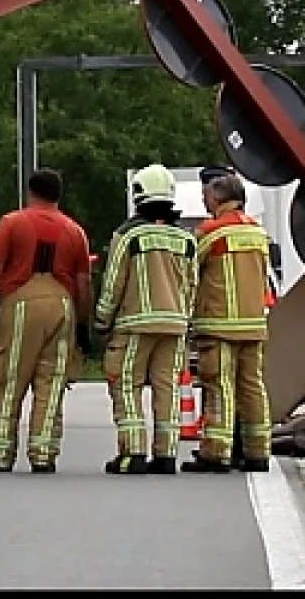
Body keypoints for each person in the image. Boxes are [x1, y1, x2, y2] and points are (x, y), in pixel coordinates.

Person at [0, 168, 94, 474]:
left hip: (20, 304)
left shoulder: (13, 223)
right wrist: (81, 322)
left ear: (30, 192)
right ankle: (43, 453)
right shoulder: (74, 231)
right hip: (62, 306)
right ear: (58, 195)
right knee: (51, 385)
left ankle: (0, 454)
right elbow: (84, 283)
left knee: (10, 380)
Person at [94, 164, 197, 476]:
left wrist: (101, 320)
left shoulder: (128, 235)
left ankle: (133, 453)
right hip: (175, 325)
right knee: (167, 389)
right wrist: (184, 320)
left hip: (134, 324)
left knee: (127, 386)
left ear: (138, 194)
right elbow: (192, 285)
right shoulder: (186, 239)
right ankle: (166, 456)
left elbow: (113, 283)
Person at [184, 168, 274, 473]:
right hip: (253, 322)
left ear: (220, 197)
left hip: (219, 323)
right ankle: (258, 451)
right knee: (253, 387)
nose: (204, 201)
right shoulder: (258, 232)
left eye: (207, 196)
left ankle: (216, 452)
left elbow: (189, 273)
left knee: (219, 387)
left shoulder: (211, 232)